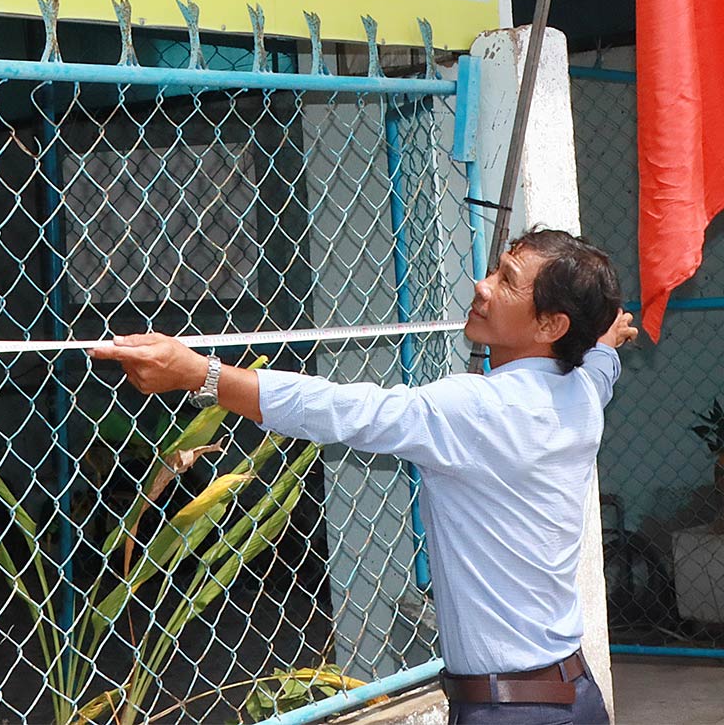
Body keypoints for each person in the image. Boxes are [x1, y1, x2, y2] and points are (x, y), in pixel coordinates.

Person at [92, 228, 638, 723]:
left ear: (551, 324)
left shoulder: (476, 408)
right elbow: (599, 365)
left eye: (507, 280)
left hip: (511, 712)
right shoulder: (581, 393)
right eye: (496, 268)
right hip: (575, 697)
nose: (483, 283)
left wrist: (201, 374)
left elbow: (340, 409)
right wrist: (605, 341)